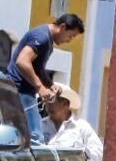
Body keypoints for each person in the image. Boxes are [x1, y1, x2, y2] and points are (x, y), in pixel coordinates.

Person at [7, 13, 84, 142]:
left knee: (22, 137)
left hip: (23, 92)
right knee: (35, 137)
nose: (69, 41)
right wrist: (40, 88)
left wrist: (50, 84)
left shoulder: (47, 41)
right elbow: (22, 61)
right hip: (20, 91)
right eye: (71, 36)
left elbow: (37, 68)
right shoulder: (42, 37)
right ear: (63, 27)